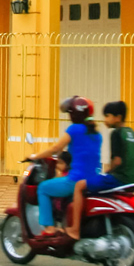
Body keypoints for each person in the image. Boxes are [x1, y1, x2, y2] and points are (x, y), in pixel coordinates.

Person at [26, 97, 103, 239]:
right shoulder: (97, 134)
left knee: (43, 188)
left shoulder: (74, 129)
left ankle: (49, 228)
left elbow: (56, 148)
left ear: (74, 114)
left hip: (75, 180)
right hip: (94, 179)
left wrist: (35, 156)